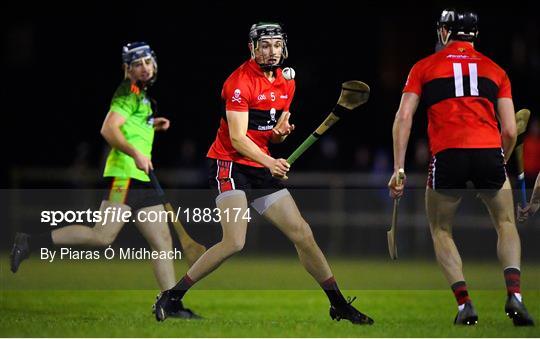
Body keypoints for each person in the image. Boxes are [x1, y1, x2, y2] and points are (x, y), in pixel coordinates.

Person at [153, 22, 373, 325]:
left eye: (276, 45)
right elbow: (237, 138)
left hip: (261, 166)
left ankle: (338, 304)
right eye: (265, 45)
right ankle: (172, 296)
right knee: (234, 241)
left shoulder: (287, 81)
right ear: (252, 48)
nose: (271, 52)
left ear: (284, 47)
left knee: (303, 234)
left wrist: (280, 135)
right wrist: (270, 162)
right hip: (230, 165)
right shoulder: (239, 83)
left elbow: (270, 135)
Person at [10, 42, 197, 318]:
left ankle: (169, 304)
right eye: (137, 64)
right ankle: (29, 242)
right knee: (103, 236)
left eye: (147, 62)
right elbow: (108, 129)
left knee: (163, 241)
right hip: (124, 176)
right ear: (127, 69)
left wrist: (151, 124)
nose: (144, 68)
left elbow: (128, 126)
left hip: (141, 177)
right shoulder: (126, 93)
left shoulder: (141, 96)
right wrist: (135, 152)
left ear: (154, 64)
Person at [388, 9, 534, 326]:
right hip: (489, 151)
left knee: (441, 230)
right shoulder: (497, 71)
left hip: (448, 154)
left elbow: (403, 118)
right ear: (475, 34)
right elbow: (510, 130)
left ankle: (465, 304)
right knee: (507, 223)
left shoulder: (423, 67)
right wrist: (500, 161)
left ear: (444, 32)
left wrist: (398, 167)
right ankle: (515, 296)